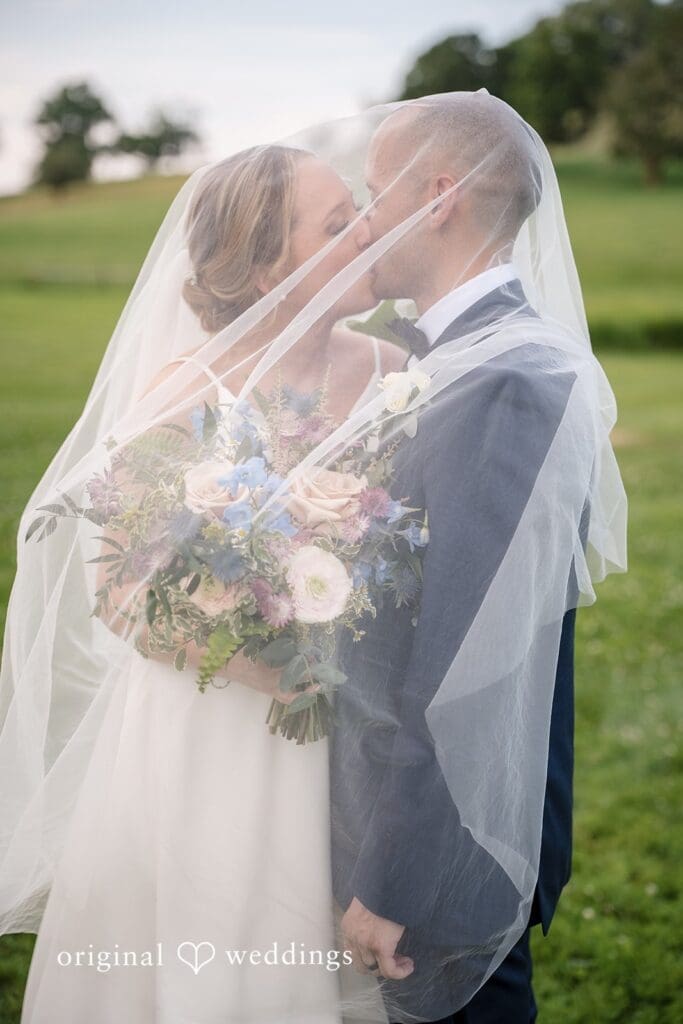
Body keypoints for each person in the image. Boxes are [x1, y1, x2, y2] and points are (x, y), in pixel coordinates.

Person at [0, 93, 626, 1024]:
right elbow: (120, 589)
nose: (367, 228)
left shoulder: (397, 375)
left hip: (343, 757)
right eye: (340, 222)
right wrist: (271, 657)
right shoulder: (187, 393)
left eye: (364, 206)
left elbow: (440, 583)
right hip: (213, 729)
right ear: (265, 265)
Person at [330, 93, 596, 1023]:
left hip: (444, 850)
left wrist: (397, 876)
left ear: (438, 196)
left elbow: (469, 659)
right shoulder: (450, 358)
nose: (363, 220)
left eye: (374, 192)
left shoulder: (507, 378)